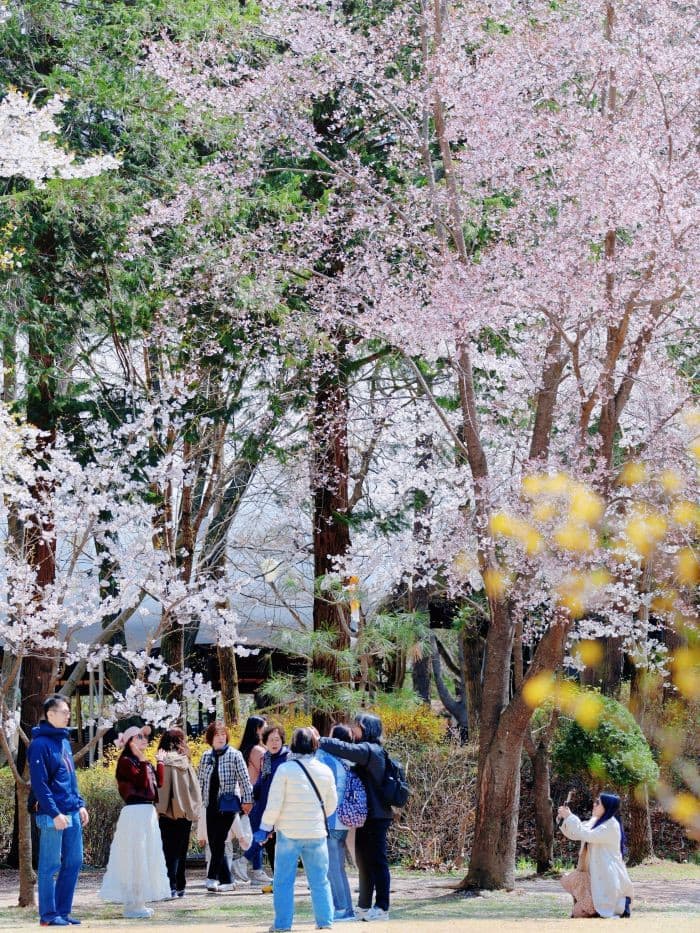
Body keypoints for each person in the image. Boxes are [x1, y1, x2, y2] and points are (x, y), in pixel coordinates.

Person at [255, 727, 337, 933]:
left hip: (289, 833)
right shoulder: (325, 769)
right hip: (316, 832)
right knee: (320, 880)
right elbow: (331, 805)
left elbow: (274, 803)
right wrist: (316, 817)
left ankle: (283, 925)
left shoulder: (285, 769)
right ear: (314, 746)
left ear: (292, 745)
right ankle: (325, 922)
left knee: (283, 881)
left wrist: (265, 827)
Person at [318, 712, 392, 922]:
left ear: (366, 728)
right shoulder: (367, 751)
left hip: (377, 816)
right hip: (367, 816)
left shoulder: (371, 750)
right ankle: (364, 907)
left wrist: (320, 740)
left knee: (377, 861)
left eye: (357, 726)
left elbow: (345, 748)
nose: (354, 730)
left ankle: (382, 907)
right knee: (364, 862)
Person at [28, 695, 89, 928]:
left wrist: (80, 804)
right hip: (52, 815)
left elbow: (70, 778)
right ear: (50, 715)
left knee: (74, 861)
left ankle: (63, 912)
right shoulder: (39, 745)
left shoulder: (63, 742)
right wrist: (54, 813)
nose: (68, 715)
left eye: (68, 712)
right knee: (50, 865)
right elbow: (40, 784)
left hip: (71, 811)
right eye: (64, 712)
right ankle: (49, 915)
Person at [100, 725, 171, 918]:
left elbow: (159, 784)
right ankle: (133, 904)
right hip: (135, 811)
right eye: (138, 737)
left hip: (147, 811)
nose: (143, 740)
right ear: (130, 741)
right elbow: (139, 783)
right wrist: (142, 761)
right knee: (135, 857)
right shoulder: (126, 761)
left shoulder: (143, 762)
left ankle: (139, 902)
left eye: (144, 737)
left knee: (147, 855)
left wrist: (160, 762)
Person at [558, 792, 634, 919]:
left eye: (598, 803)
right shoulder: (595, 822)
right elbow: (577, 833)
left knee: (578, 911)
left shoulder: (611, 825)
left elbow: (587, 834)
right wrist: (564, 819)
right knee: (571, 880)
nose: (594, 804)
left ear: (607, 807)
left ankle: (611, 908)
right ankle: (593, 908)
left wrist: (570, 816)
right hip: (596, 878)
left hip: (608, 880)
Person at [197, 720, 253, 892]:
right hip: (210, 804)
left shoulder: (234, 755)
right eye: (217, 735)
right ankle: (227, 880)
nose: (221, 738)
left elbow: (245, 779)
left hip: (227, 804)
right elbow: (200, 782)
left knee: (219, 840)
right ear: (210, 738)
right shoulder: (206, 756)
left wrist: (248, 800)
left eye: (223, 735)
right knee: (214, 843)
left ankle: (212, 878)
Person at [235, 723, 289, 882]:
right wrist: (249, 796)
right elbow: (261, 781)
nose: (274, 743)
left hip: (281, 810)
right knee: (269, 844)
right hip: (264, 806)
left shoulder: (287, 757)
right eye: (271, 740)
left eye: (277, 740)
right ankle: (278, 880)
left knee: (278, 845)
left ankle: (243, 862)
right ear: (265, 741)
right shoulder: (265, 757)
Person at [155, 728, 202, 897]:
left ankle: (170, 886)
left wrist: (158, 810)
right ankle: (181, 886)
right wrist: (193, 810)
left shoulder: (163, 761)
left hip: (167, 814)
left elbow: (161, 789)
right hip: (185, 813)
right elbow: (194, 789)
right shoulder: (185, 762)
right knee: (181, 851)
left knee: (169, 851)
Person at [317, 724, 356, 922]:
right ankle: (344, 907)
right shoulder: (346, 761)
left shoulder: (328, 760)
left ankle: (342, 909)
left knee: (333, 868)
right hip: (341, 821)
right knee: (336, 867)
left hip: (331, 820)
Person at [231, 715, 269, 884]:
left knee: (257, 833)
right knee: (263, 833)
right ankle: (244, 862)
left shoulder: (243, 750)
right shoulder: (259, 751)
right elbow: (267, 774)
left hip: (246, 795)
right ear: (257, 730)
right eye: (264, 728)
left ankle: (257, 870)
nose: (266, 731)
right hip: (258, 796)